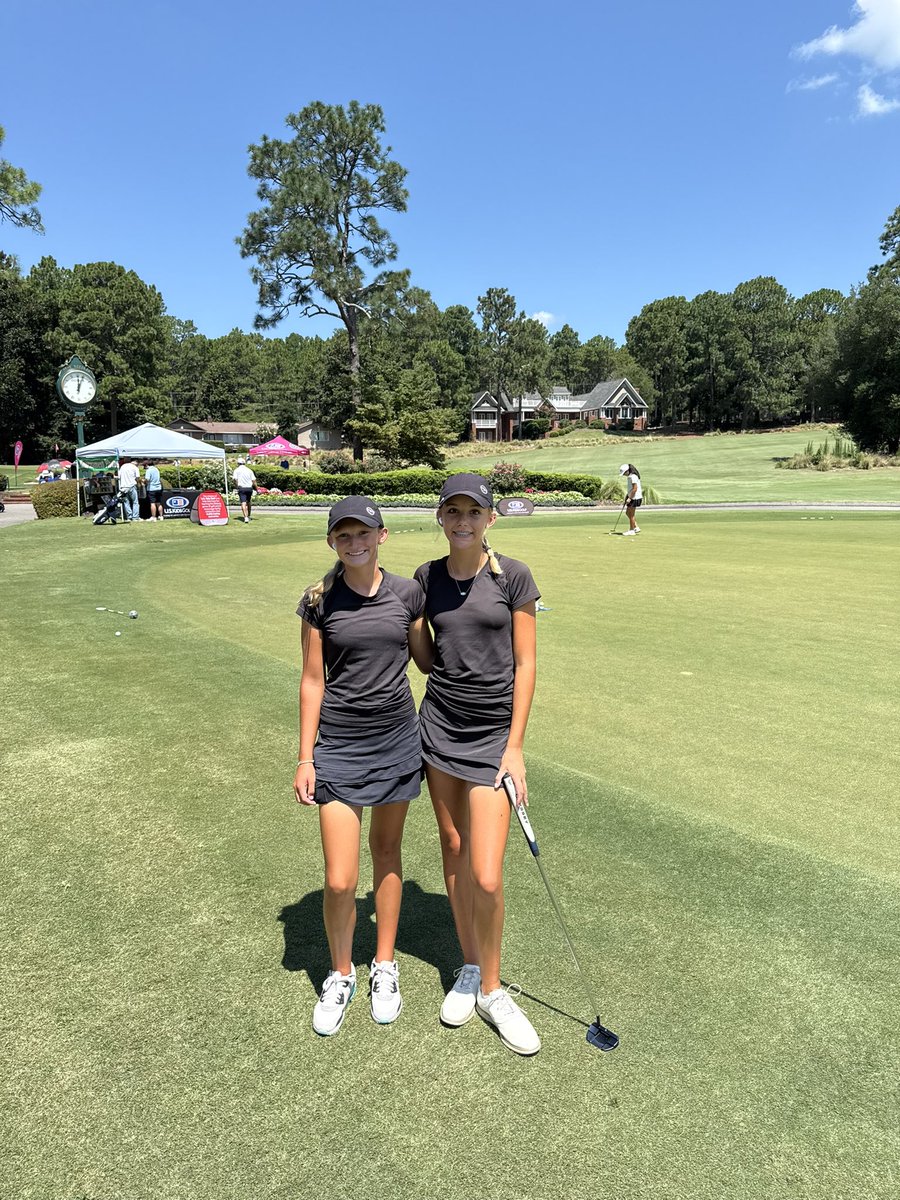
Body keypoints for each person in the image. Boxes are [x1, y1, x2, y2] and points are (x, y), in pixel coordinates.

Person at [294, 497, 432, 1037]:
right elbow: (312, 681)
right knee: (339, 877)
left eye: (364, 533)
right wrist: (306, 756)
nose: (355, 543)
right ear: (332, 542)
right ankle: (341, 971)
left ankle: (385, 964)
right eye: (344, 535)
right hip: (340, 748)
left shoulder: (407, 593)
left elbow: (427, 660)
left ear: (383, 535)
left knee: (388, 853)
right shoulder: (317, 601)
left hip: (397, 741)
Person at [414, 472, 542, 1056]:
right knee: (453, 848)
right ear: (440, 517)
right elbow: (423, 654)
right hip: (439, 727)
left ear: (491, 518)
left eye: (474, 511)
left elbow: (527, 664)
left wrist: (515, 746)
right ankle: (471, 966)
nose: (462, 521)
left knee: (487, 873)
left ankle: (493, 989)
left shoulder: (513, 576)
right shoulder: (426, 578)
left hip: (494, 738)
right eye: (452, 511)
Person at [619, 463, 642, 534]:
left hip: (635, 498)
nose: (624, 475)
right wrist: (627, 496)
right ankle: (635, 527)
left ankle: (632, 530)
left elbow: (635, 489)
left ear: (627, 471)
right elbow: (631, 489)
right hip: (632, 496)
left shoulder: (633, 477)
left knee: (631, 515)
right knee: (627, 513)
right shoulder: (630, 476)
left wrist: (630, 498)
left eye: (624, 473)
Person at [233, 457, 257, 523]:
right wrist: (256, 488)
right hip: (249, 488)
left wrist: (237, 486)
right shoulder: (249, 470)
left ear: (238, 463)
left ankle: (245, 517)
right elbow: (254, 480)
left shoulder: (236, 470)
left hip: (241, 488)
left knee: (243, 502)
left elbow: (235, 479)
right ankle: (248, 515)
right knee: (248, 502)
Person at [117, 457, 141, 522]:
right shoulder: (135, 467)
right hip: (132, 486)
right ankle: (135, 517)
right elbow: (137, 477)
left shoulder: (122, 467)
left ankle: (129, 517)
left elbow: (119, 477)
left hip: (123, 487)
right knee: (135, 502)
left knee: (126, 502)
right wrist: (139, 484)